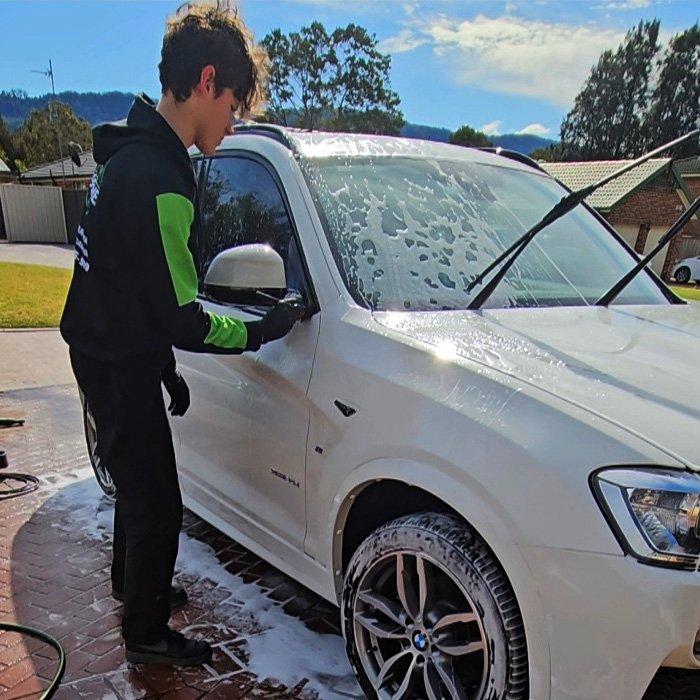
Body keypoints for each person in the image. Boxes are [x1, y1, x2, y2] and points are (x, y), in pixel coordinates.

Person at [60, 1, 302, 667]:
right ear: (206, 83)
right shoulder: (162, 179)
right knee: (158, 501)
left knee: (139, 488)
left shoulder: (126, 156)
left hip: (102, 345)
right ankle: (146, 632)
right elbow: (182, 314)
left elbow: (126, 278)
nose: (233, 121)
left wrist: (160, 367)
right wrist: (261, 330)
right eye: (233, 106)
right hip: (115, 357)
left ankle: (129, 585)